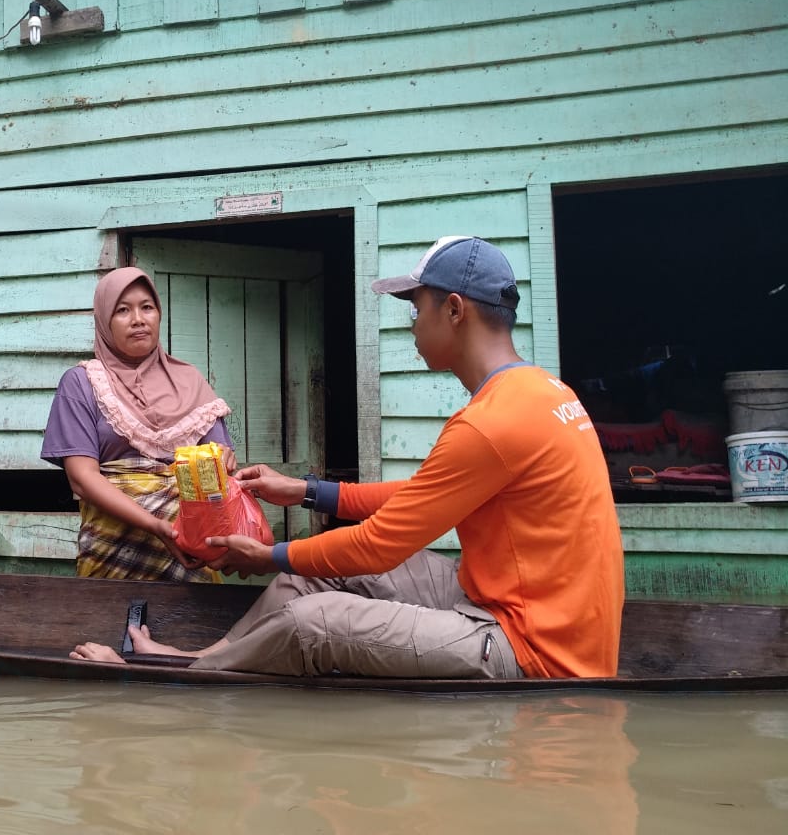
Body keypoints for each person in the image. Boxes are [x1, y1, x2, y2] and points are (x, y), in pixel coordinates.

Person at [72, 236, 625, 678]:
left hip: (533, 648)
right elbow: (423, 496)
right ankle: (204, 658)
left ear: (454, 311)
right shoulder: (543, 392)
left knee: (314, 621)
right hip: (510, 602)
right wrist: (308, 491)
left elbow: (381, 542)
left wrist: (270, 555)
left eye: (417, 308)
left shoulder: (491, 420)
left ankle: (188, 675)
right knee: (305, 582)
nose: (412, 325)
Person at [42, 266, 235, 582]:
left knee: (195, 628)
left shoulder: (192, 381)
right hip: (113, 551)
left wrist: (224, 462)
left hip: (191, 548)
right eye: (122, 310)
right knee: (109, 628)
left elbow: (218, 460)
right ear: (105, 321)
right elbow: (81, 479)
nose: (138, 319)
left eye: (147, 307)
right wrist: (155, 525)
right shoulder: (83, 383)